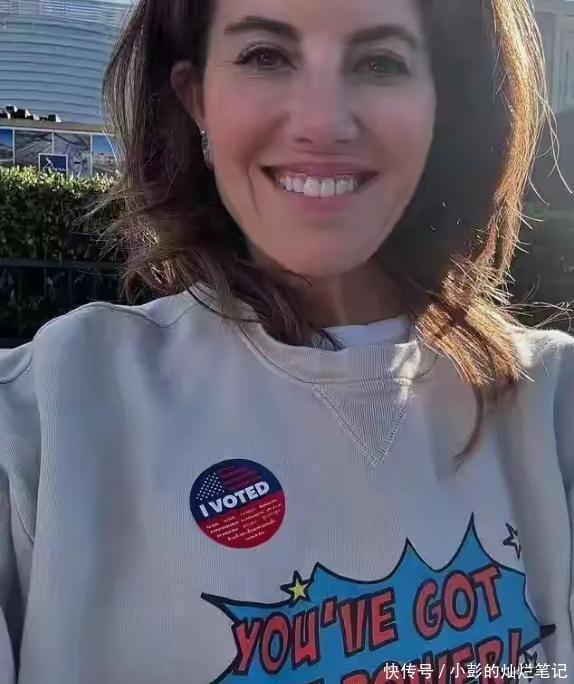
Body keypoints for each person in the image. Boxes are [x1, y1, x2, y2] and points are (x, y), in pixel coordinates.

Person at [0, 0, 572, 681]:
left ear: (441, 103)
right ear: (195, 98)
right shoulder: (47, 418)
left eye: (380, 62)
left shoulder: (554, 411)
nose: (322, 123)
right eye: (265, 56)